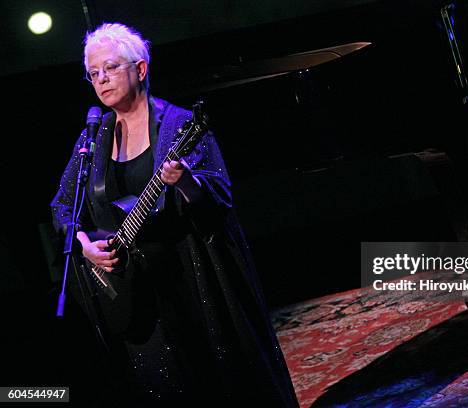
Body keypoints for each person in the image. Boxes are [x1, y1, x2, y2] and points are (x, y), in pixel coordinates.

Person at [50, 23, 298, 407]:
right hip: (133, 289)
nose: (101, 80)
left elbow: (220, 196)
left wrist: (185, 182)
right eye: (94, 73)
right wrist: (83, 245)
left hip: (190, 276)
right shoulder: (93, 137)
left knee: (219, 382)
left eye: (111, 68)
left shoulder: (178, 125)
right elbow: (64, 205)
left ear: (141, 69)